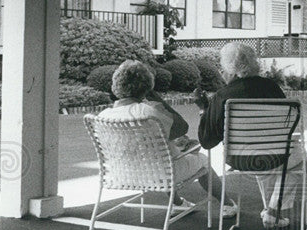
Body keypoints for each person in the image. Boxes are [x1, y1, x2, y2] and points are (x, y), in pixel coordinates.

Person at [96, 60, 236, 216]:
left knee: (163, 153)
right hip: (161, 174)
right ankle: (227, 203)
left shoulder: (103, 116)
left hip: (121, 174)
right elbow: (182, 127)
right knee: (201, 158)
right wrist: (157, 99)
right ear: (147, 87)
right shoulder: (151, 112)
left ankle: (178, 203)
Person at [195, 42, 302, 229]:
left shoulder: (222, 96)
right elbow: (286, 130)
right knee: (298, 157)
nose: (222, 72)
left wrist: (205, 110)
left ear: (232, 70)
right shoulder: (272, 88)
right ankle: (273, 211)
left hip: (238, 160)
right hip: (274, 156)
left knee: (272, 160)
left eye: (222, 68)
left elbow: (207, 141)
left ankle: (271, 210)